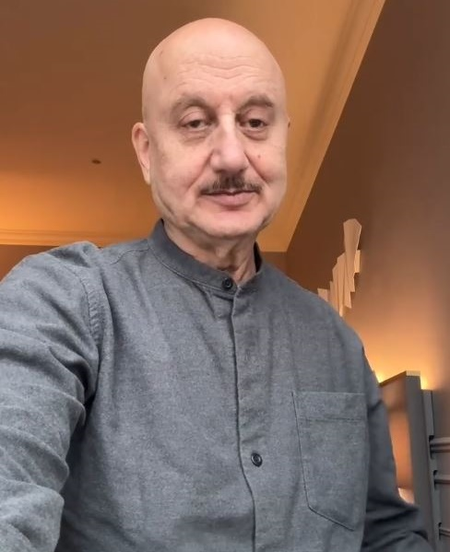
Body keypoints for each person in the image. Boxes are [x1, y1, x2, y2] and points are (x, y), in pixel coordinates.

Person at [0, 18, 432, 552]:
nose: (231, 156)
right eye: (195, 122)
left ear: (283, 138)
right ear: (146, 151)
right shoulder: (64, 299)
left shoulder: (337, 341)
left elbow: (386, 534)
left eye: (255, 122)